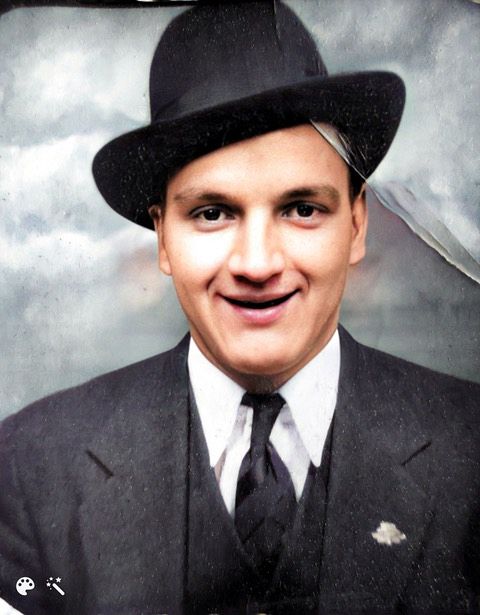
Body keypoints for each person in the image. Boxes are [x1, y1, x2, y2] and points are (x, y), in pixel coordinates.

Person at [0, 2, 479, 614]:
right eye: (212, 213)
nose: (257, 264)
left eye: (302, 209)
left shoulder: (472, 446)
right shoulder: (29, 464)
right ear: (163, 237)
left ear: (357, 225)